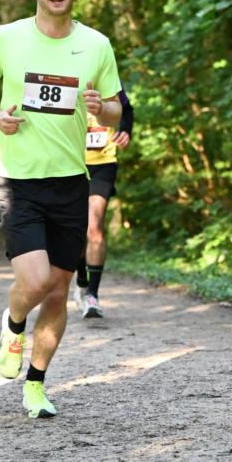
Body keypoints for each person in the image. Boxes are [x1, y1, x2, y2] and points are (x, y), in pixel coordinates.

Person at [0, 0, 122, 419]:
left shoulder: (96, 44)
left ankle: (35, 384)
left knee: (57, 292)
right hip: (18, 181)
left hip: (72, 181)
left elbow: (116, 109)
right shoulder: (6, 38)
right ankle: (13, 325)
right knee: (34, 281)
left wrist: (101, 106)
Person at [74, 86, 134, 318]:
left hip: (103, 163)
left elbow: (127, 108)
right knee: (77, 230)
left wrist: (126, 131)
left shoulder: (107, 73)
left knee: (94, 225)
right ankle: (81, 278)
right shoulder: (65, 67)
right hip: (71, 162)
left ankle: (92, 295)